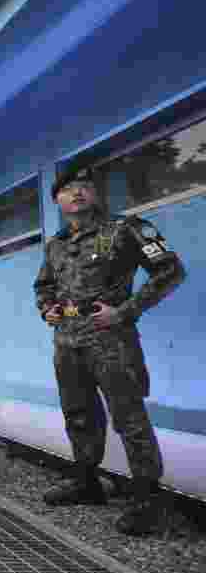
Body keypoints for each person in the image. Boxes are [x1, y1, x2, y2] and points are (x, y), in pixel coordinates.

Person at [34, 166, 186, 535]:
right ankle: (87, 483)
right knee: (79, 414)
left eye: (85, 186)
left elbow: (171, 271)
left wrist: (125, 311)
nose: (77, 193)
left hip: (111, 340)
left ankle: (147, 502)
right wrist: (47, 308)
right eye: (68, 189)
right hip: (67, 340)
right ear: (58, 200)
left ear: (96, 195)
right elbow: (43, 285)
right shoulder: (55, 244)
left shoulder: (127, 229)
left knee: (129, 418)